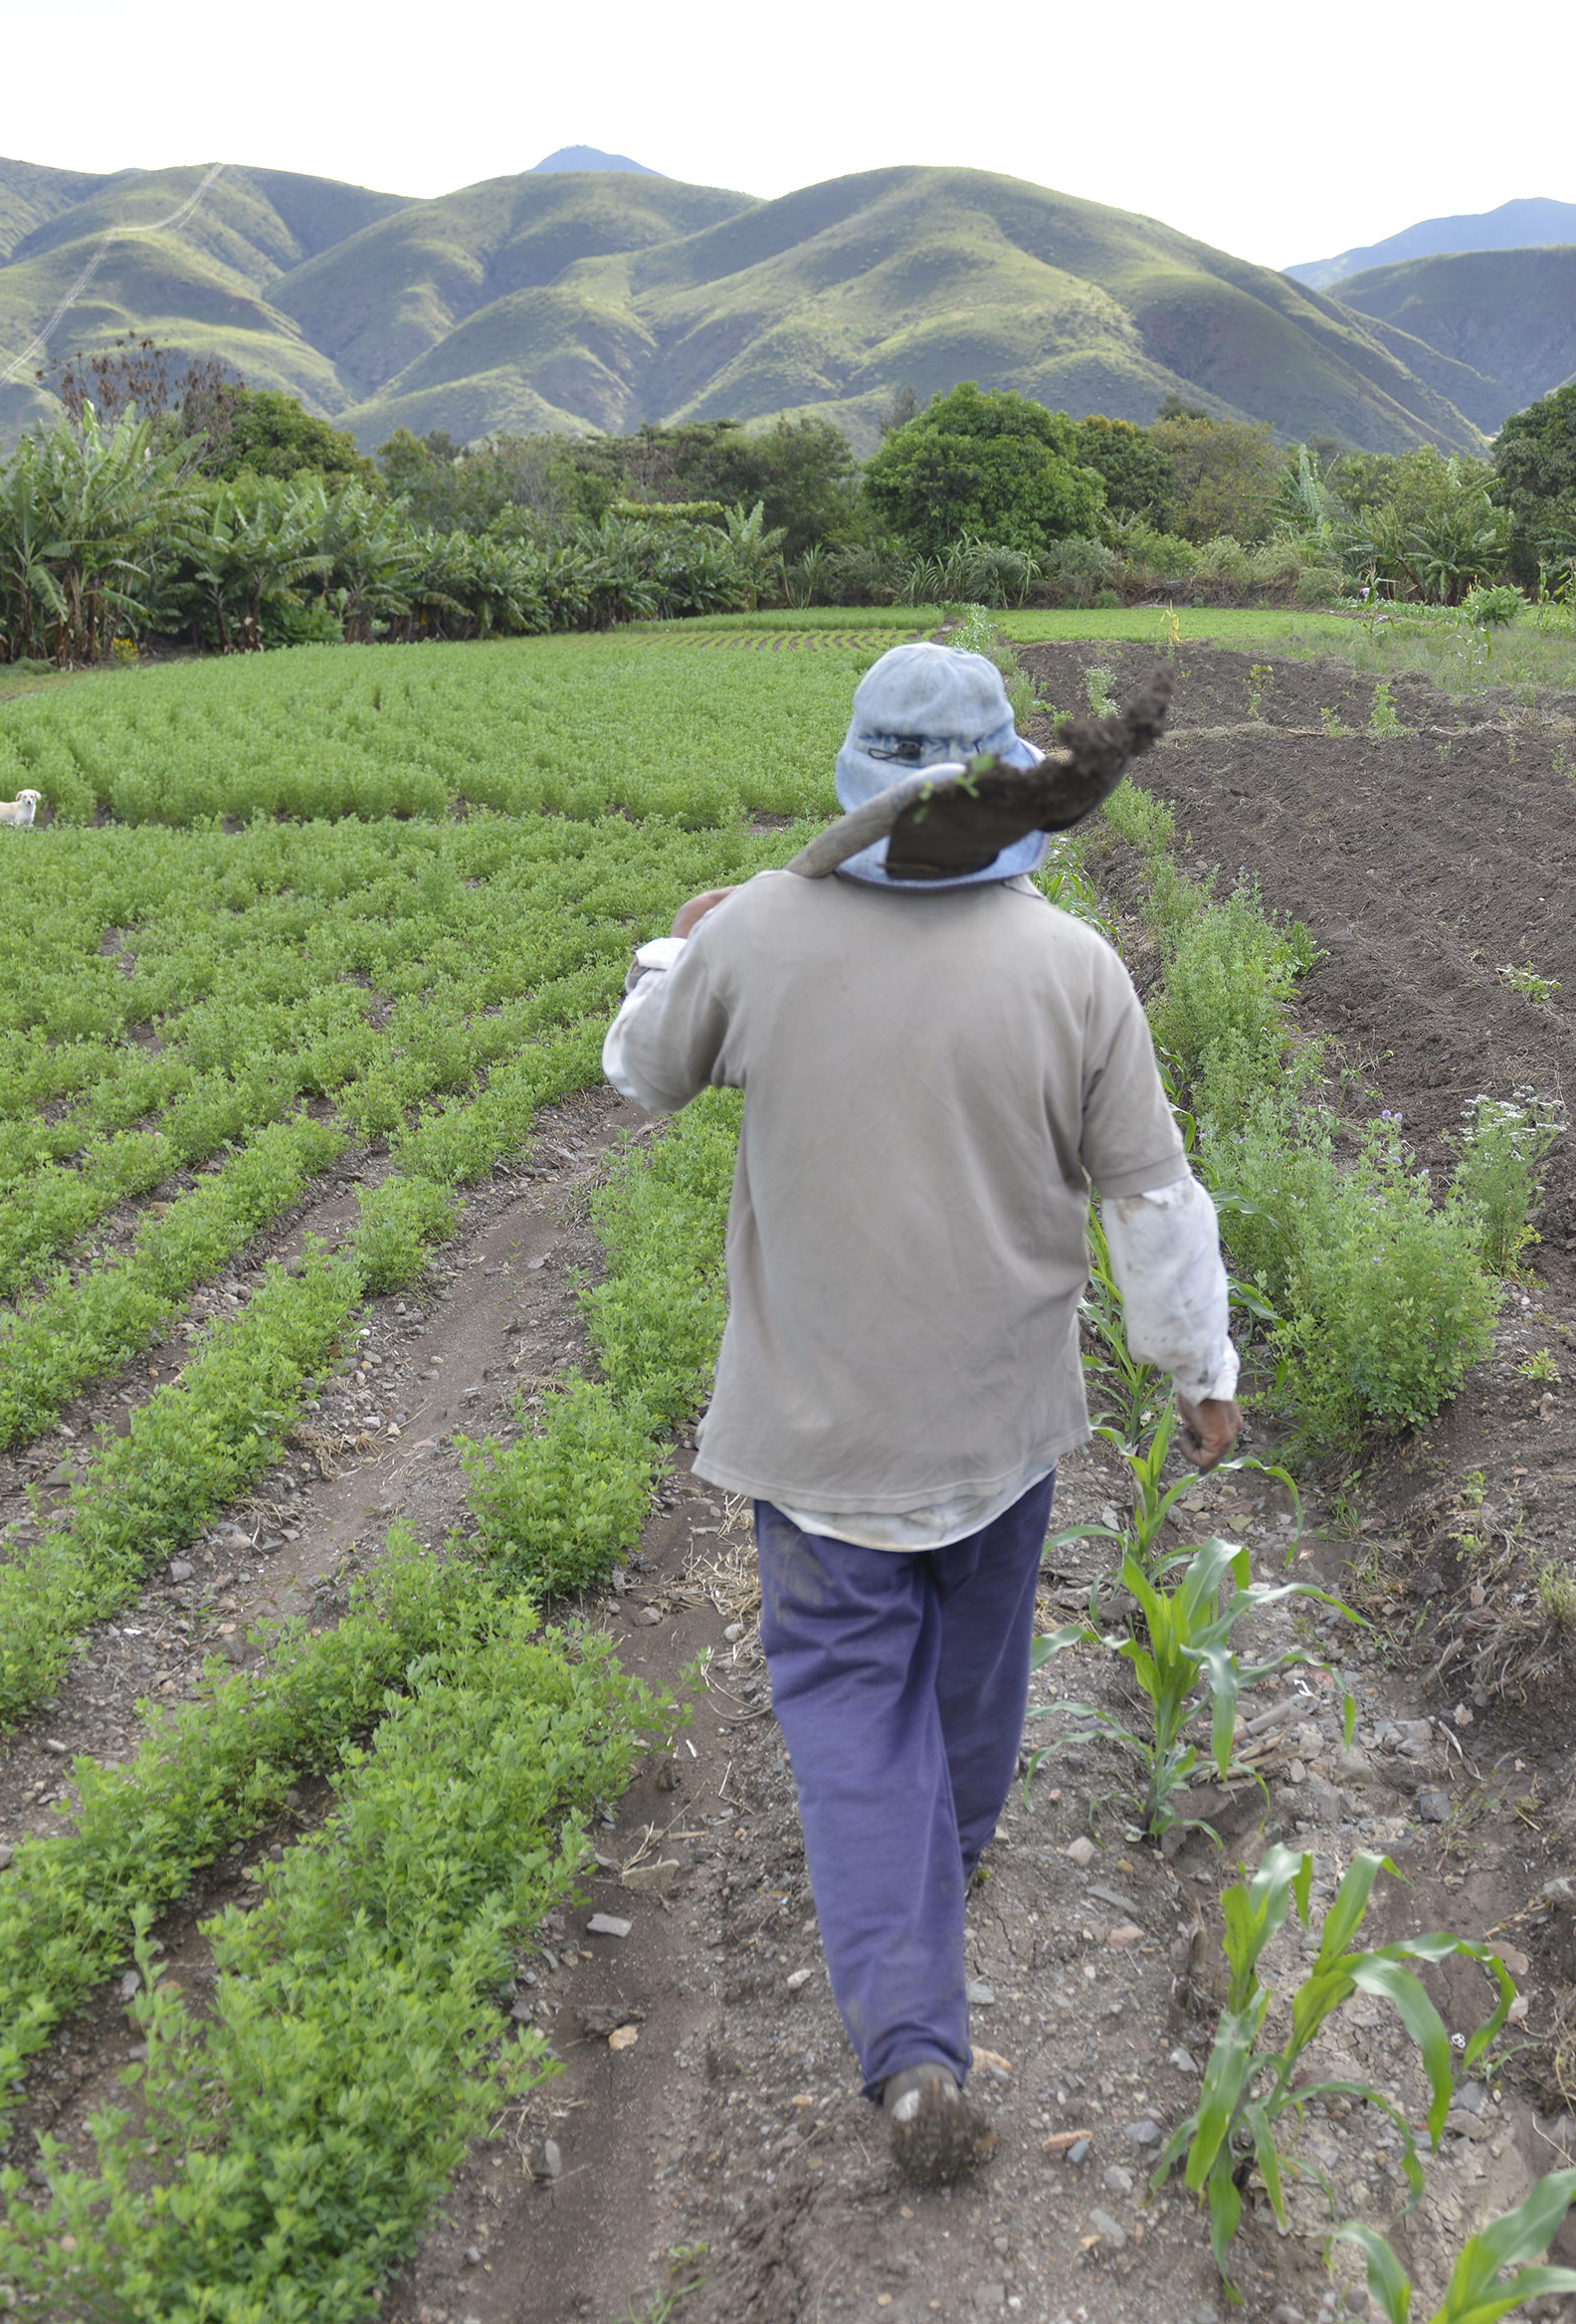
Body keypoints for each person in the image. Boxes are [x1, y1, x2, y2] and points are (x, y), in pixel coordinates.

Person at [602, 641, 1239, 2185]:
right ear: (1007, 782)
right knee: (972, 1689)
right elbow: (1150, 1197)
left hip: (814, 1439)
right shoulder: (1073, 966)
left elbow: (640, 1074)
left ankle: (910, 2037)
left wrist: (678, 955)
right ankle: (934, 1886)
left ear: (854, 778)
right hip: (999, 1427)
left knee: (846, 1719)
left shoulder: (758, 934)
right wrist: (1198, 1371)